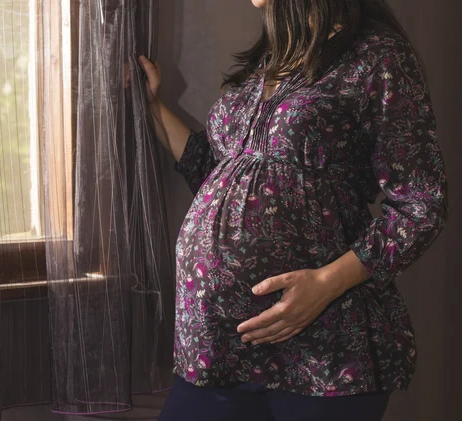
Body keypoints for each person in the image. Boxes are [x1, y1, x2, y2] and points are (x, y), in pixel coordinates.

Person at [139, 0, 449, 420]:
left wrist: (323, 284)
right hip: (218, 347)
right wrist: (153, 105)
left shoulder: (377, 55)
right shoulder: (272, 57)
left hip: (324, 352)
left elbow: (421, 203)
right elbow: (221, 174)